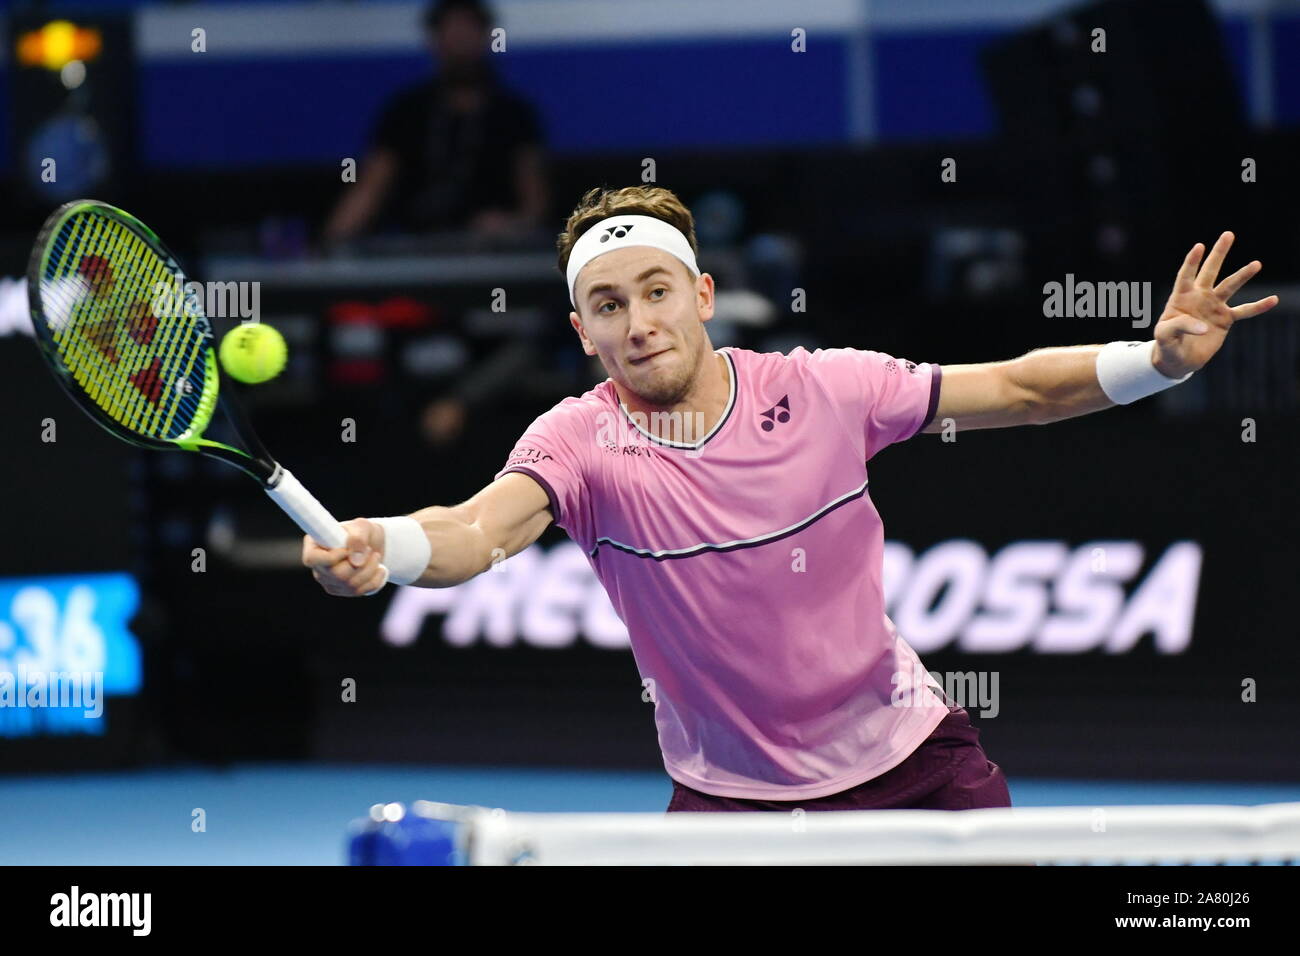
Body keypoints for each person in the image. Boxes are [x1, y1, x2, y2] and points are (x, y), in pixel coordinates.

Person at [303, 185, 1278, 812]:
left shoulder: (824, 388)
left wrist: (1154, 362)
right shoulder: (577, 440)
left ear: (703, 293)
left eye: (655, 291)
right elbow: (476, 528)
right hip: (729, 801)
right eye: (608, 305)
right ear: (580, 328)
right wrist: (385, 545)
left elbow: (1019, 389)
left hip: (915, 772)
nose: (638, 323)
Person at [322, 0, 548, 244]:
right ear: (433, 40)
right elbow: (370, 188)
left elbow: (535, 205)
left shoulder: (514, 115)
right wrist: (330, 244)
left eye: (467, 31)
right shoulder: (407, 111)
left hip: (492, 253)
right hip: (417, 252)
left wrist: (511, 225)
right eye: (450, 32)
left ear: (486, 37)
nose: (459, 44)